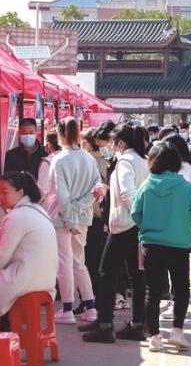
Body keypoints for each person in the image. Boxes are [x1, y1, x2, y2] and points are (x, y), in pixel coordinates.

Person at [81, 123, 149, 343]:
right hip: (136, 226)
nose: (108, 146)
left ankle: (105, 324)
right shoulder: (142, 160)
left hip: (124, 226)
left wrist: (136, 217)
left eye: (111, 142)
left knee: (106, 273)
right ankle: (138, 324)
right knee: (137, 277)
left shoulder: (125, 162)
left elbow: (129, 194)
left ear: (120, 142)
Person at [0, 171, 58, 331]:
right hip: (45, 278)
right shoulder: (37, 210)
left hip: (26, 278)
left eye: (5, 192)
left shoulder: (17, 216)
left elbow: (2, 255)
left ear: (20, 192)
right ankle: (4, 336)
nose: (0, 196)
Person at [131, 141, 191, 352]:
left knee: (152, 291)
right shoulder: (186, 187)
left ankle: (154, 336)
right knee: (181, 289)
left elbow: (135, 213)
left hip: (151, 245)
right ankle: (177, 330)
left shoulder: (146, 185)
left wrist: (149, 226)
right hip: (179, 244)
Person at [48, 118, 101, 325]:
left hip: (63, 219)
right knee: (79, 262)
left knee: (65, 263)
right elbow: (97, 189)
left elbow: (61, 196)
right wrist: (82, 205)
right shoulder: (88, 158)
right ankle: (90, 306)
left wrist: (69, 218)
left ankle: (68, 307)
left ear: (60, 134)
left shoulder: (59, 160)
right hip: (82, 217)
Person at [80, 128, 110, 300]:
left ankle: (90, 298)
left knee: (90, 259)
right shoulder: (105, 160)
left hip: (93, 213)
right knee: (97, 257)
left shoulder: (91, 161)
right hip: (101, 215)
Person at [37, 129, 62, 207]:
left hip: (52, 209)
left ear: (49, 144)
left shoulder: (48, 162)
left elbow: (42, 190)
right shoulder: (72, 158)